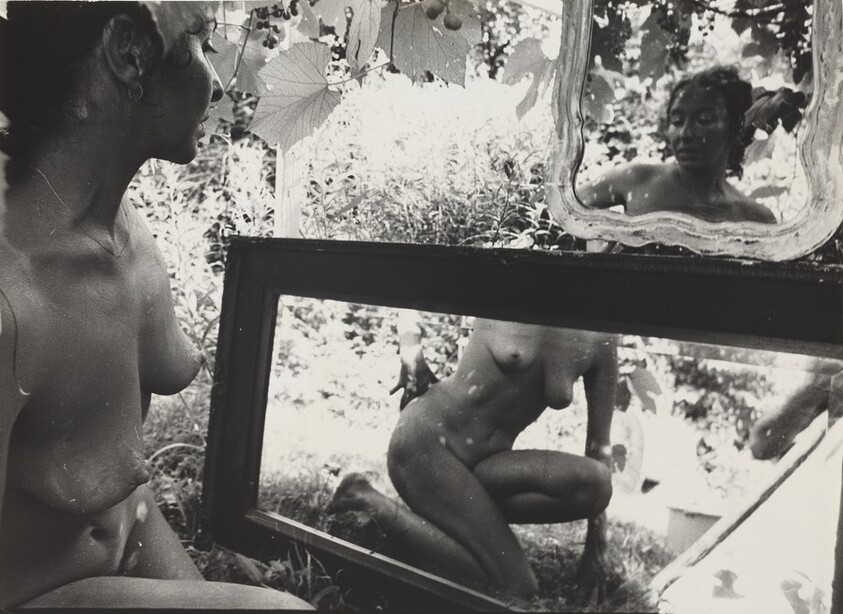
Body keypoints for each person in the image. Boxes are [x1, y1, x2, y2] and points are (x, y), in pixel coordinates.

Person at [0, 2, 310, 608]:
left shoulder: (119, 226)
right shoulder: (11, 293)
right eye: (198, 42)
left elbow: (150, 374)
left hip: (133, 531)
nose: (215, 80)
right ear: (129, 52)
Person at [333, 315, 618, 602]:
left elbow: (600, 448)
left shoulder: (602, 336)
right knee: (518, 589)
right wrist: (410, 353)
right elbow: (410, 292)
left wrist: (596, 551)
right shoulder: (514, 292)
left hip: (487, 465)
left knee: (597, 485)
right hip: (429, 443)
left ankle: (453, 526)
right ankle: (363, 497)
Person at [577, 66, 777, 224]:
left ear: (735, 128)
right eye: (677, 121)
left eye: (704, 120)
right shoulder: (634, 180)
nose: (685, 134)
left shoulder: (755, 218)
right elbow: (567, 212)